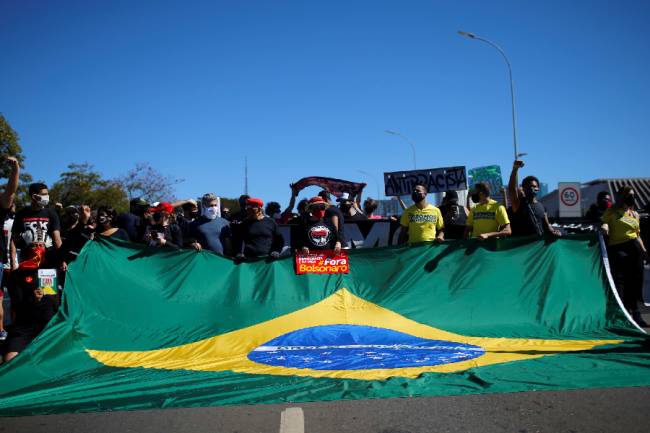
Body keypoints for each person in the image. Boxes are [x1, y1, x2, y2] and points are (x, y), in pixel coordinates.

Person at [601, 186, 648, 326]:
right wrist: (605, 228)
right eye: (628, 195)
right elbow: (605, 223)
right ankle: (622, 315)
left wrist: (644, 251)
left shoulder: (635, 214)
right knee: (621, 283)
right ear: (620, 196)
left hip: (635, 249)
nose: (631, 197)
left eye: (633, 195)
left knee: (636, 282)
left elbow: (637, 235)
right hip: (618, 248)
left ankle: (637, 314)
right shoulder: (612, 212)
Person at [11, 182, 62, 270]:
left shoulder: (51, 213)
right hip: (27, 259)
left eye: (47, 194)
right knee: (27, 283)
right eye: (44, 195)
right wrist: (13, 262)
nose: (47, 197)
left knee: (47, 284)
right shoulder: (21, 214)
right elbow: (14, 240)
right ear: (34, 196)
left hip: (48, 258)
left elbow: (57, 239)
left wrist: (62, 259)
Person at [507, 160, 561, 237]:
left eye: (534, 186)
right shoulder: (518, 204)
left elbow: (547, 226)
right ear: (524, 188)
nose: (532, 188)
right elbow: (511, 189)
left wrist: (554, 232)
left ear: (538, 188)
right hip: (522, 246)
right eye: (529, 187)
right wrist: (515, 169)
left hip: (538, 247)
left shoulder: (542, 207)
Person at [0, 156, 19, 341]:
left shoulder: (12, 220)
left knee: (13, 298)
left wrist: (15, 170)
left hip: (5, 263)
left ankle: (9, 330)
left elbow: (10, 192)